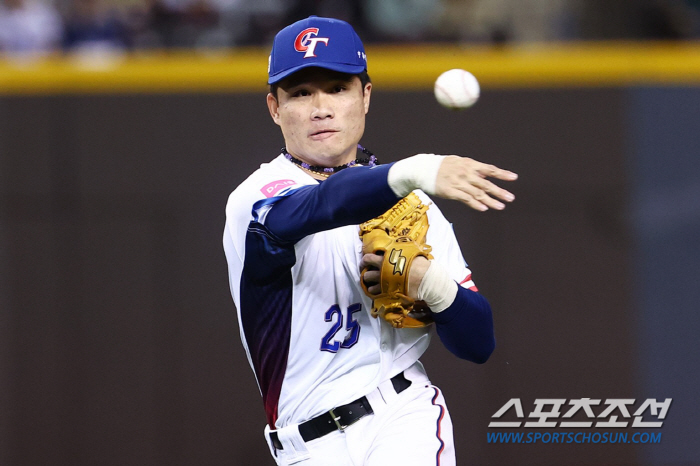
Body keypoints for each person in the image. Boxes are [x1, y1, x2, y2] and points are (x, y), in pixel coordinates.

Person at [223, 15, 517, 466]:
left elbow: (478, 344)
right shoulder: (257, 196)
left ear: (365, 97)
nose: (320, 107)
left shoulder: (411, 206)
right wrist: (415, 169)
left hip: (404, 415)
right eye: (301, 93)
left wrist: (434, 285)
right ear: (274, 108)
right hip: (306, 445)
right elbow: (320, 206)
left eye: (337, 88)